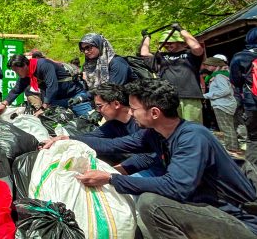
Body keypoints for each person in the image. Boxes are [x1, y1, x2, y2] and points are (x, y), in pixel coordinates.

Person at [75, 79, 257, 238]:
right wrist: (67, 139)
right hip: (207, 209)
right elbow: (114, 145)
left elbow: (175, 187)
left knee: (151, 204)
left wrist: (111, 178)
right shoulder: (156, 134)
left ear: (154, 113)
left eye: (134, 108)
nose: (130, 113)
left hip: (238, 220)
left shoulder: (192, 138)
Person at [42, 83, 160, 175]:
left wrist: (111, 174)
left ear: (116, 104)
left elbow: (114, 145)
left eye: (99, 106)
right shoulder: (114, 124)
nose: (97, 111)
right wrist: (65, 139)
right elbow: (93, 138)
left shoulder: (143, 125)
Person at [140, 23, 205, 123]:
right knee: (172, 128)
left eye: (171, 43)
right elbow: (144, 53)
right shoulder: (162, 56)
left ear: (179, 42)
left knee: (193, 127)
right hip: (169, 97)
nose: (167, 45)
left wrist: (181, 30)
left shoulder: (190, 54)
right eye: (165, 43)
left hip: (190, 96)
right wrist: (147, 37)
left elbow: (196, 47)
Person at [0, 54, 92, 117]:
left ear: (25, 65)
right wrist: (3, 104)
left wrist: (43, 108)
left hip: (74, 96)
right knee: (54, 127)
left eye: (16, 70)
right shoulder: (26, 75)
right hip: (55, 101)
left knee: (88, 123)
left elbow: (52, 87)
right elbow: (16, 90)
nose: (16, 73)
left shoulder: (44, 65)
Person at [203, 56, 241, 155]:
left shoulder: (219, 76)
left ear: (214, 66)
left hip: (222, 104)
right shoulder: (221, 75)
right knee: (229, 127)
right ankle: (234, 147)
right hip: (225, 103)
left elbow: (225, 90)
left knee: (226, 128)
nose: (206, 66)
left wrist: (206, 95)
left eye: (208, 65)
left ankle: (232, 149)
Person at [231, 27, 257, 166]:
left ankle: (252, 175)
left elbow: (235, 81)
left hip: (252, 103)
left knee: (253, 139)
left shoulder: (240, 57)